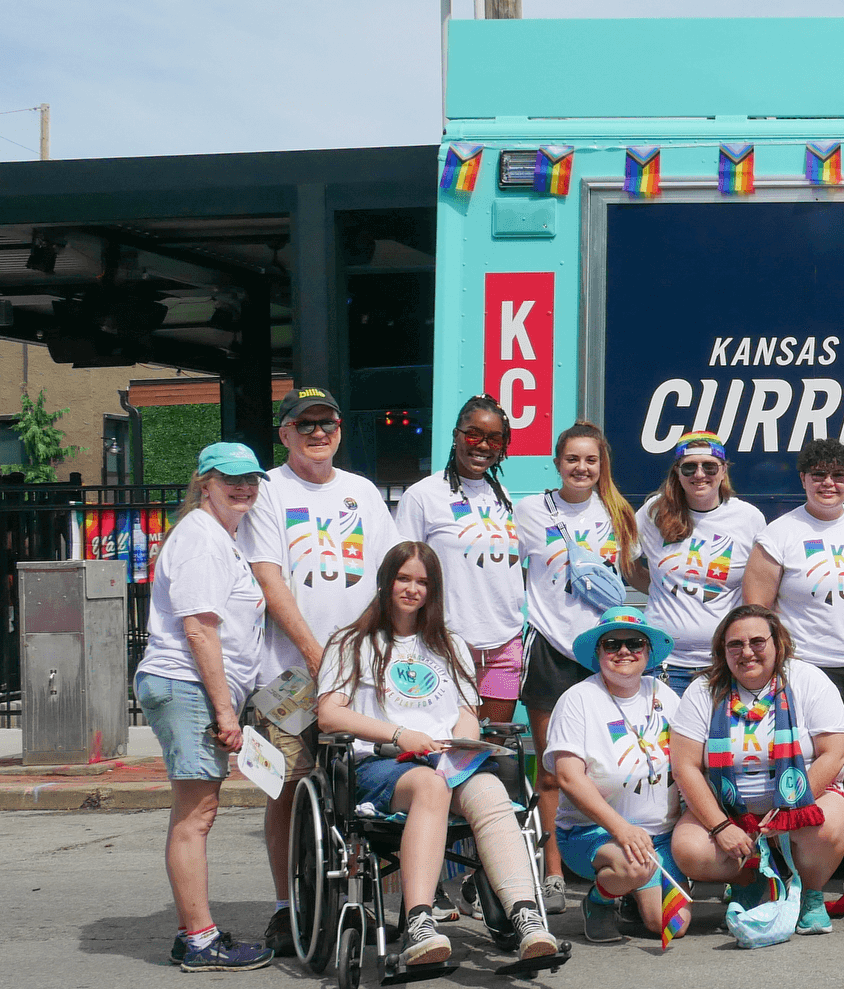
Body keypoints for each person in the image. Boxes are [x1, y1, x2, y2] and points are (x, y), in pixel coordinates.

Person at [314, 542, 558, 967]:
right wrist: (399, 733)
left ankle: (526, 918)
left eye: (422, 582)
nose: (412, 589)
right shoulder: (351, 643)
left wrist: (462, 744)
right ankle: (420, 922)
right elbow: (329, 715)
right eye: (403, 578)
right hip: (385, 764)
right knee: (431, 785)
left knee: (488, 790)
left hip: (446, 762)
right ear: (386, 582)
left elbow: (466, 715)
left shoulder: (449, 646)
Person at [238, 387, 398, 956]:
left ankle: (380, 899)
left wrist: (369, 652)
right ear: (284, 434)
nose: (317, 433)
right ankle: (287, 908)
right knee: (284, 788)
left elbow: (389, 578)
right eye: (304, 424)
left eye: (326, 422)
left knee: (370, 788)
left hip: (358, 671)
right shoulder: (269, 493)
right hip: (287, 675)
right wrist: (316, 654)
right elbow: (268, 578)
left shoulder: (362, 493)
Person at [746, 438, 844, 894]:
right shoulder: (779, 534)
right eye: (818, 474)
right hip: (805, 673)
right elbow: (755, 613)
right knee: (794, 771)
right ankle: (785, 873)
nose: (828, 483)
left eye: (838, 475)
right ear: (803, 479)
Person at [135, 444, 272, 971]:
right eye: (229, 479)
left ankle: (193, 931)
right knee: (197, 816)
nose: (243, 488)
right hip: (186, 683)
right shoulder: (201, 539)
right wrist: (225, 711)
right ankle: (199, 941)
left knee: (194, 812)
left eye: (250, 481)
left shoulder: (218, 536)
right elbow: (199, 627)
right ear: (204, 482)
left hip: (190, 686)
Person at [515, 421, 645, 912]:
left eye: (591, 460)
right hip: (548, 647)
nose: (581, 468)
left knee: (613, 765)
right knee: (552, 770)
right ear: (557, 461)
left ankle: (618, 856)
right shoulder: (529, 511)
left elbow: (636, 574)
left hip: (604, 651)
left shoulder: (618, 513)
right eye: (573, 459)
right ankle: (551, 872)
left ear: (601, 465)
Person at [671, 604, 844, 935]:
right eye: (735, 645)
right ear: (721, 651)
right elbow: (685, 766)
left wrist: (789, 807)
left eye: (757, 641)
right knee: (690, 849)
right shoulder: (703, 690)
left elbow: (834, 754)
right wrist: (721, 825)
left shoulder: (807, 680)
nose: (747, 652)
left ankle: (812, 893)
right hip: (729, 807)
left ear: (777, 643)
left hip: (800, 797)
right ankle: (750, 879)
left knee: (824, 828)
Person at [547, 606, 685, 945]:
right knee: (633, 866)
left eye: (635, 643)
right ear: (598, 653)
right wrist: (621, 829)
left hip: (661, 834)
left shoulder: (663, 694)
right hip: (594, 832)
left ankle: (634, 896)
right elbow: (568, 777)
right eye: (612, 644)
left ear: (648, 652)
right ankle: (600, 900)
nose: (624, 651)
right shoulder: (578, 699)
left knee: (673, 925)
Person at [395, 397, 525, 723]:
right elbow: (400, 574)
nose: (483, 445)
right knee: (448, 752)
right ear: (456, 436)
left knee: (496, 750)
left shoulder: (504, 497)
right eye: (473, 435)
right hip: (444, 646)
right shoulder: (423, 496)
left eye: (495, 439)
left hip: (503, 647)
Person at [639, 431, 769, 693]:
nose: (699, 474)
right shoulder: (654, 512)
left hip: (724, 662)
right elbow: (627, 563)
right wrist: (661, 589)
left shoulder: (748, 517)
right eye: (689, 467)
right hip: (663, 662)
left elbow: (762, 586)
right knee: (663, 735)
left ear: (723, 471)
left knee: (722, 735)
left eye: (709, 466)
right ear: (677, 472)